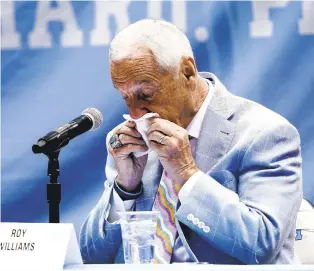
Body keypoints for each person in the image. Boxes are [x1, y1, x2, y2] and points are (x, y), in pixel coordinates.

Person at [79, 19, 302, 264]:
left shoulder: (265, 133)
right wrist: (124, 188)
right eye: (125, 97)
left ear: (187, 71)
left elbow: (262, 244)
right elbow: (91, 256)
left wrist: (187, 174)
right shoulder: (131, 143)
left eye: (146, 94)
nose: (135, 113)